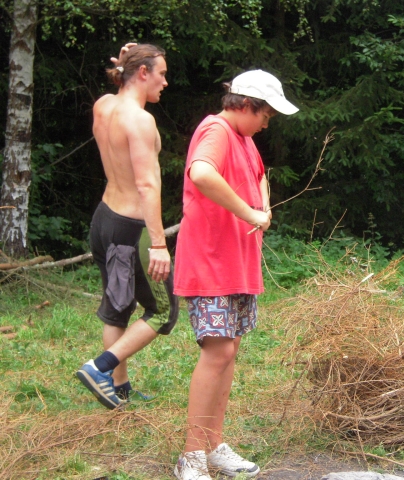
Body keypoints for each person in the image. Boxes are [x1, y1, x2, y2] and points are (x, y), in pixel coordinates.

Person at [172, 70, 298, 480]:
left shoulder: (244, 140)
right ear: (244, 105)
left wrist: (264, 208)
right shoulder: (217, 130)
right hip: (210, 261)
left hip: (238, 264)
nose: (267, 123)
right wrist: (248, 213)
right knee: (218, 353)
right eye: (265, 114)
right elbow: (201, 173)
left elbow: (260, 177)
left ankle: (214, 446)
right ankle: (191, 456)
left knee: (229, 353)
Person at [76, 44, 179, 410]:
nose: (165, 82)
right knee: (164, 311)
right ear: (143, 73)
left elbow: (122, 89)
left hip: (104, 219)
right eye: (161, 74)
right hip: (131, 230)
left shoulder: (104, 105)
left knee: (117, 306)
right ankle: (99, 368)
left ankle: (119, 390)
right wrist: (158, 244)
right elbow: (147, 185)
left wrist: (124, 67)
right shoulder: (140, 121)